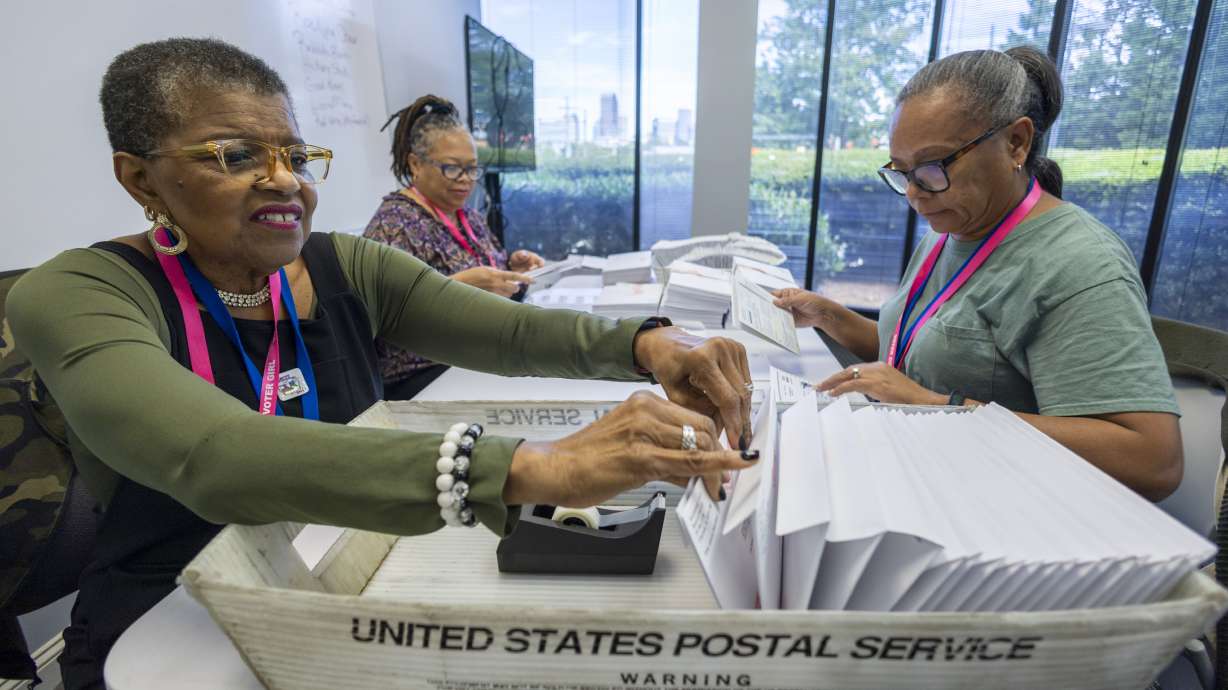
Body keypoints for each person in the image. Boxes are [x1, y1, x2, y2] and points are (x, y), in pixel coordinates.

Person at [5, 39, 756, 689]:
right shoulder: (76, 294)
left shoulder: (346, 265)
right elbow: (216, 455)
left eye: (294, 156)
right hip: (174, 630)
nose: (284, 180)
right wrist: (532, 467)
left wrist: (649, 344)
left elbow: (509, 334)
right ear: (140, 180)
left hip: (343, 583)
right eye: (236, 156)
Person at [772, 46, 1182, 501]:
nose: (913, 192)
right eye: (902, 171)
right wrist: (832, 317)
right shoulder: (950, 229)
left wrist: (935, 408)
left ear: (1016, 143)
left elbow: (1154, 461)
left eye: (933, 166)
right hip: (925, 478)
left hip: (1006, 509)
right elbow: (924, 355)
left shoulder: (1078, 263)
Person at [364, 95, 545, 399]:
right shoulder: (395, 223)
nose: (465, 180)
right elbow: (379, 315)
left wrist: (512, 267)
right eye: (452, 168)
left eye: (472, 169)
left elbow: (490, 272)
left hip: (477, 358)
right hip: (424, 377)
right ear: (415, 164)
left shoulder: (469, 216)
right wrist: (456, 289)